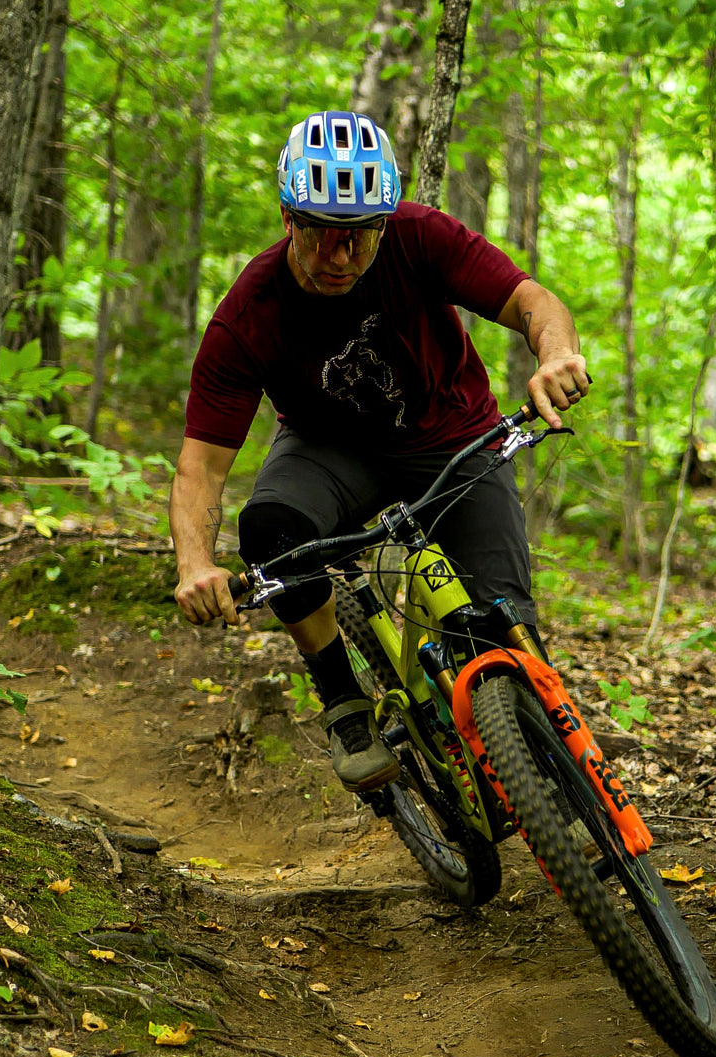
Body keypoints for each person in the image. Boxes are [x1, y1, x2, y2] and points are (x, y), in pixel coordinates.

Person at [170, 109, 588, 795]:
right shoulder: (249, 313)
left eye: (360, 236)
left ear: (384, 224)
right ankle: (344, 703)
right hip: (330, 450)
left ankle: (554, 788)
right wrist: (194, 564)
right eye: (321, 235)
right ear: (287, 218)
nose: (341, 257)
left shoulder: (420, 236)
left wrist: (556, 354)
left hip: (454, 436)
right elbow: (202, 466)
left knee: (506, 633)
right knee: (271, 528)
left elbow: (529, 300)